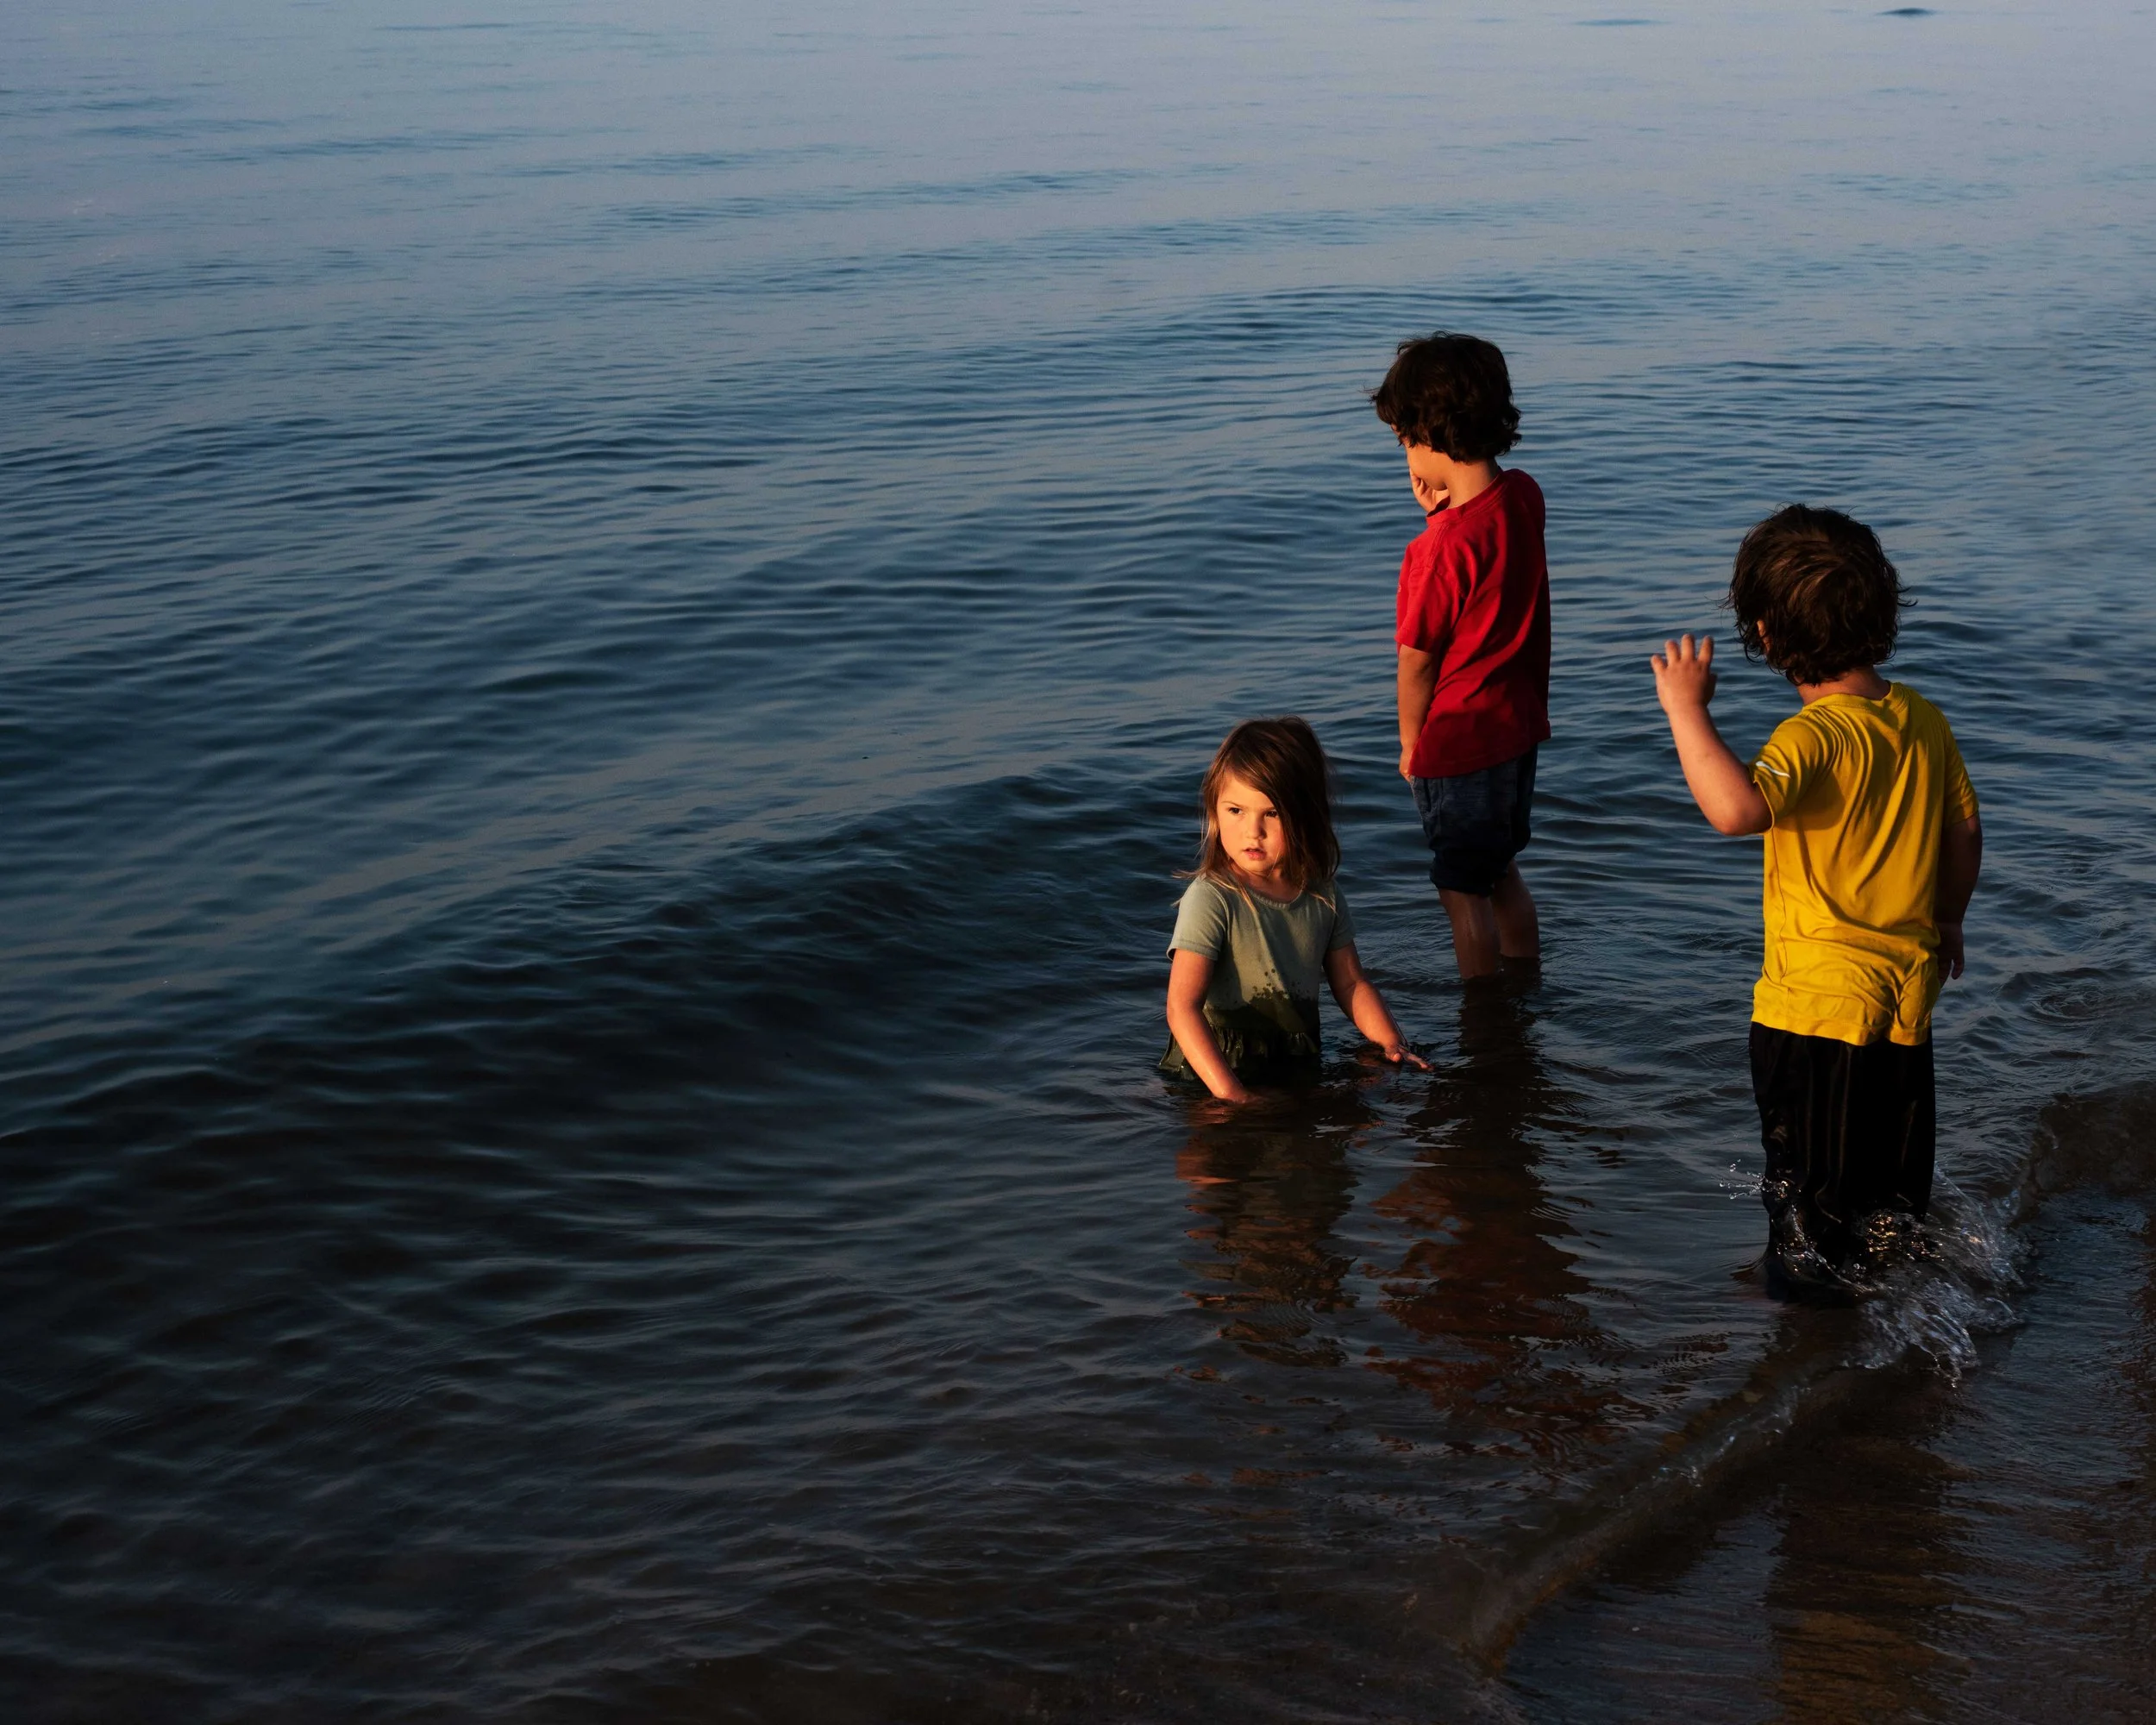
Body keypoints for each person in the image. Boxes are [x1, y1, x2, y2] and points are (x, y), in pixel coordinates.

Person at [1650, 505, 1983, 1295]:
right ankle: (1897, 1328)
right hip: (1905, 1004)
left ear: (1764, 633)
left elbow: (1736, 812)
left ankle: (1810, 1338)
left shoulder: (1812, 737)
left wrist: (1685, 711)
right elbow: (1965, 832)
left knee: (1804, 1208)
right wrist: (1947, 918)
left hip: (1814, 1014)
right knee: (1888, 1199)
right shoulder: (1921, 719)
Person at [1371, 332, 1551, 981]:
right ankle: (1525, 982)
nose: (1403, 451)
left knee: (1461, 892)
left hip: (1460, 742)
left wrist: (1411, 744)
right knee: (1500, 871)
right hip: (1517, 730)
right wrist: (1438, 517)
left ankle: (1485, 1024)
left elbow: (1417, 660)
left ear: (1430, 435)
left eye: (1404, 438)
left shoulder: (1436, 553)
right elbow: (1485, 569)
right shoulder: (1524, 496)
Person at [1161, 717, 1427, 1103]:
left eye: (1271, 813)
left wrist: (1391, 1042)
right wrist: (1231, 1095)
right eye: (1236, 810)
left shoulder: (1322, 894)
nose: (1253, 831)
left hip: (1294, 1059)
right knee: (1214, 1154)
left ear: (1306, 814)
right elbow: (1181, 1007)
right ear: (1214, 811)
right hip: (1213, 1069)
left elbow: (1352, 984)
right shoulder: (1212, 896)